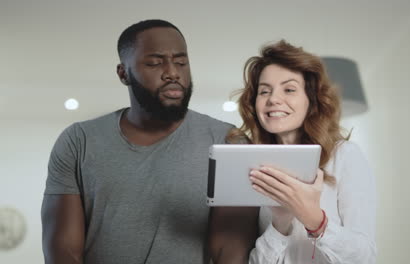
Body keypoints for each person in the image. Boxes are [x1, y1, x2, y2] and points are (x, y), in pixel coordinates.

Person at [41, 19, 258, 264]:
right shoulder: (78, 142)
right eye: (155, 63)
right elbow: (62, 250)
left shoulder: (228, 143)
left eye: (181, 62)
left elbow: (230, 250)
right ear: (124, 73)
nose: (172, 73)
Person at [230, 40, 376, 263]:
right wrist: (280, 223)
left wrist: (314, 219)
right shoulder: (255, 168)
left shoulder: (345, 156)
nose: (273, 99)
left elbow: (365, 257)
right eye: (264, 91)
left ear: (311, 100)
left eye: (289, 89)